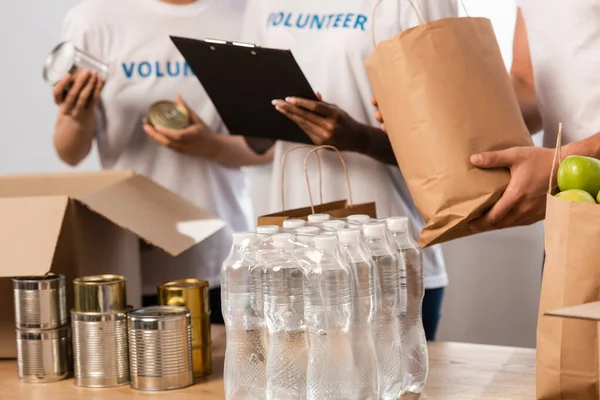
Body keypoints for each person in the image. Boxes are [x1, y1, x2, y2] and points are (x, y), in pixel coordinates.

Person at [242, 0, 458, 340]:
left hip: (386, 258)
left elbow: (448, 146)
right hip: (292, 258)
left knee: (398, 389)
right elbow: (257, 142)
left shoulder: (417, 4)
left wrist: (360, 139)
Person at [52, 0, 272, 324]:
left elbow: (267, 148)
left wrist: (209, 146)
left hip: (219, 256)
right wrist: (78, 114)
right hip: (128, 254)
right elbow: (69, 152)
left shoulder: (241, 16)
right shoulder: (94, 19)